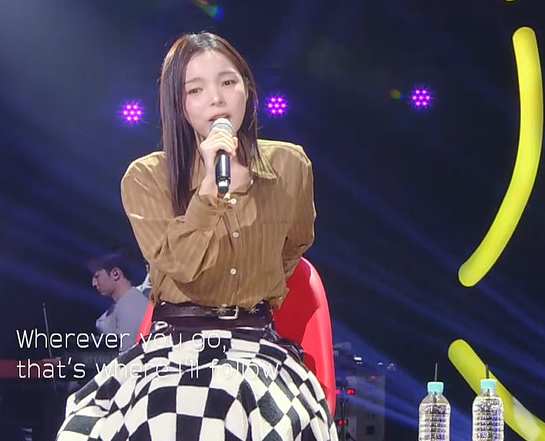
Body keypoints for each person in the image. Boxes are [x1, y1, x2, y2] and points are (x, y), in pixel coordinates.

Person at [57, 32, 336, 440]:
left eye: (228, 82)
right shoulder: (147, 177)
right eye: (196, 90)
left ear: (247, 90)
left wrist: (254, 284)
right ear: (180, 105)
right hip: (174, 350)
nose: (216, 100)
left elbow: (294, 245)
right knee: (164, 413)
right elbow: (180, 266)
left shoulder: (290, 166)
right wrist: (209, 191)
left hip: (257, 348)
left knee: (259, 414)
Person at [87, 249, 150, 352]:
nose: (94, 283)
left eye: (97, 276)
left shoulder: (131, 306)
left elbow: (130, 355)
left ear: (116, 273)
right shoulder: (123, 304)